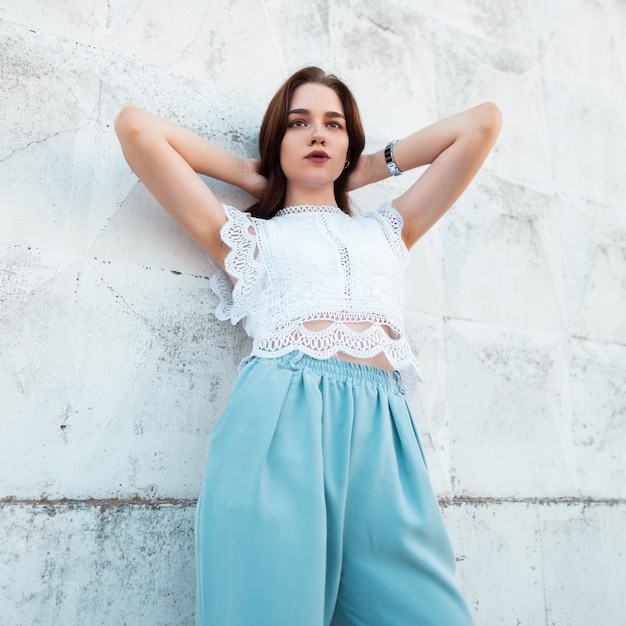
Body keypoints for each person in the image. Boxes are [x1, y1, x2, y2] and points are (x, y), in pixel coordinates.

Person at [115, 66, 501, 626]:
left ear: (350, 143)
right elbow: (137, 130)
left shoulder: (391, 231)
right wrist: (254, 175)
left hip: (384, 432)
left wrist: (364, 170)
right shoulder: (250, 238)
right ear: (277, 141)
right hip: (279, 424)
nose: (317, 134)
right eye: (299, 123)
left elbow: (481, 124)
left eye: (333, 124)